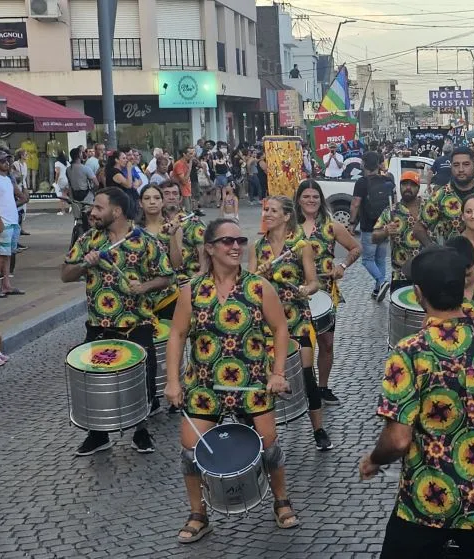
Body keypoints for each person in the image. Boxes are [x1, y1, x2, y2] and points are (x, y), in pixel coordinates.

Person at [359, 246, 474, 559]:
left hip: (428, 498)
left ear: (418, 294)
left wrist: (375, 460)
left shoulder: (409, 352)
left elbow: (398, 439)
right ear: (463, 288)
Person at [165, 218, 298, 543]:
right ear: (210, 248)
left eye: (240, 240)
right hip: (204, 385)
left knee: (269, 447)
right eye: (227, 241)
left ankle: (281, 501)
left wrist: (278, 373)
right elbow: (178, 334)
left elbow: (280, 329)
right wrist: (172, 381)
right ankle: (199, 514)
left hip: (253, 382)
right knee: (190, 451)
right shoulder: (191, 291)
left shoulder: (258, 287)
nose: (236, 246)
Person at [61, 187, 175, 455]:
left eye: (99, 207)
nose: (93, 212)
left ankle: (141, 430)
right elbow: (65, 274)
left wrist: (144, 287)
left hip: (136, 324)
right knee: (95, 379)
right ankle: (98, 434)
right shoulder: (89, 240)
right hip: (99, 325)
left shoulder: (144, 241)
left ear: (117, 211)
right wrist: (84, 265)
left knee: (142, 379)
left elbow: (167, 276)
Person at [250, 195, 333, 450]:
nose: (268, 214)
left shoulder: (300, 245)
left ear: (287, 216)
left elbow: (313, 282)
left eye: (273, 210)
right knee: (264, 374)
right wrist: (257, 276)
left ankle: (318, 429)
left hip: (296, 317)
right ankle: (262, 432)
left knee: (306, 374)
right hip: (267, 322)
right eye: (266, 210)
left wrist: (305, 291)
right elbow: (249, 285)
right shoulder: (257, 246)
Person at [296, 179, 361, 407]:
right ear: (298, 200)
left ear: (321, 200)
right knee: (299, 343)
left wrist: (341, 267)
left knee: (326, 343)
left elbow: (356, 248)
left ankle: (322, 387)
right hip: (295, 294)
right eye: (306, 197)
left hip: (324, 292)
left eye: (315, 197)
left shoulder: (331, 226)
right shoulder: (288, 226)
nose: (311, 201)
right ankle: (302, 386)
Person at [349, 151, 394, 300]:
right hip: (384, 226)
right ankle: (377, 290)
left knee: (367, 260)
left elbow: (355, 204)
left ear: (363, 164)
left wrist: (351, 223)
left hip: (368, 226)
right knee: (380, 260)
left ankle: (381, 282)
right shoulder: (387, 180)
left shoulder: (362, 182)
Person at [138, 183, 184, 321]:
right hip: (141, 296)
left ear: (162, 202)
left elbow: (176, 264)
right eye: (147, 198)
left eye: (156, 198)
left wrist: (172, 236)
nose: (152, 202)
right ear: (140, 203)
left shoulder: (173, 228)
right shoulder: (133, 231)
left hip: (168, 295)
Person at [372, 171, 423, 293]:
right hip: (400, 275)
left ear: (418, 188)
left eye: (413, 185)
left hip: (426, 274)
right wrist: (386, 231)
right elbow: (374, 237)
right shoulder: (391, 211)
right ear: (399, 187)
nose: (408, 188)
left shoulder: (428, 208)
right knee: (399, 310)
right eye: (404, 184)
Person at [0, 151, 24, 297]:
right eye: (2, 161)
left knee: (7, 255)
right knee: (0, 255)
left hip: (12, 221)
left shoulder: (7, 179)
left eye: (7, 160)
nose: (6, 163)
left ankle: (6, 285)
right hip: (3, 222)